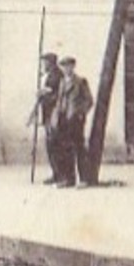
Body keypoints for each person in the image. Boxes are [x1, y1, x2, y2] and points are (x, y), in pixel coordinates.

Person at [54, 55, 94, 188]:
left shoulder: (80, 81)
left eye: (69, 66)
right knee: (65, 150)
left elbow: (89, 101)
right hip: (63, 118)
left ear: (73, 66)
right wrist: (57, 115)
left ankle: (83, 179)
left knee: (79, 148)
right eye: (64, 67)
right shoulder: (62, 82)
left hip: (75, 120)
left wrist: (80, 113)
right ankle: (68, 179)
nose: (66, 69)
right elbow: (60, 100)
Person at [36, 52, 64, 185]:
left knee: (55, 145)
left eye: (45, 62)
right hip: (48, 115)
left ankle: (60, 174)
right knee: (51, 145)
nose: (44, 65)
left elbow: (59, 96)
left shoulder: (57, 76)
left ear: (51, 63)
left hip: (55, 116)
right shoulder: (49, 75)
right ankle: (56, 173)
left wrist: (45, 95)